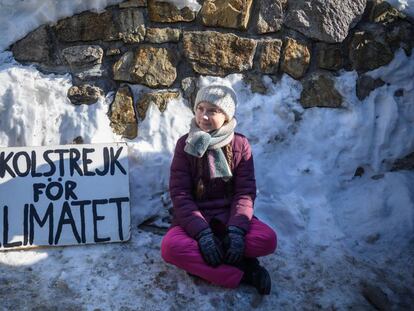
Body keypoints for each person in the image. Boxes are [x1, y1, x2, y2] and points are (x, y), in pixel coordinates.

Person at [161, 84, 277, 295]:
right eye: (200, 109)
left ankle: (205, 263)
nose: (204, 117)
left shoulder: (240, 144)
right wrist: (202, 234)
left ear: (226, 115)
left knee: (267, 239)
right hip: (195, 220)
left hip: (229, 218)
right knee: (170, 248)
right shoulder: (184, 145)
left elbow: (245, 193)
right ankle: (245, 272)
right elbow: (180, 194)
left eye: (212, 111)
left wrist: (236, 231)